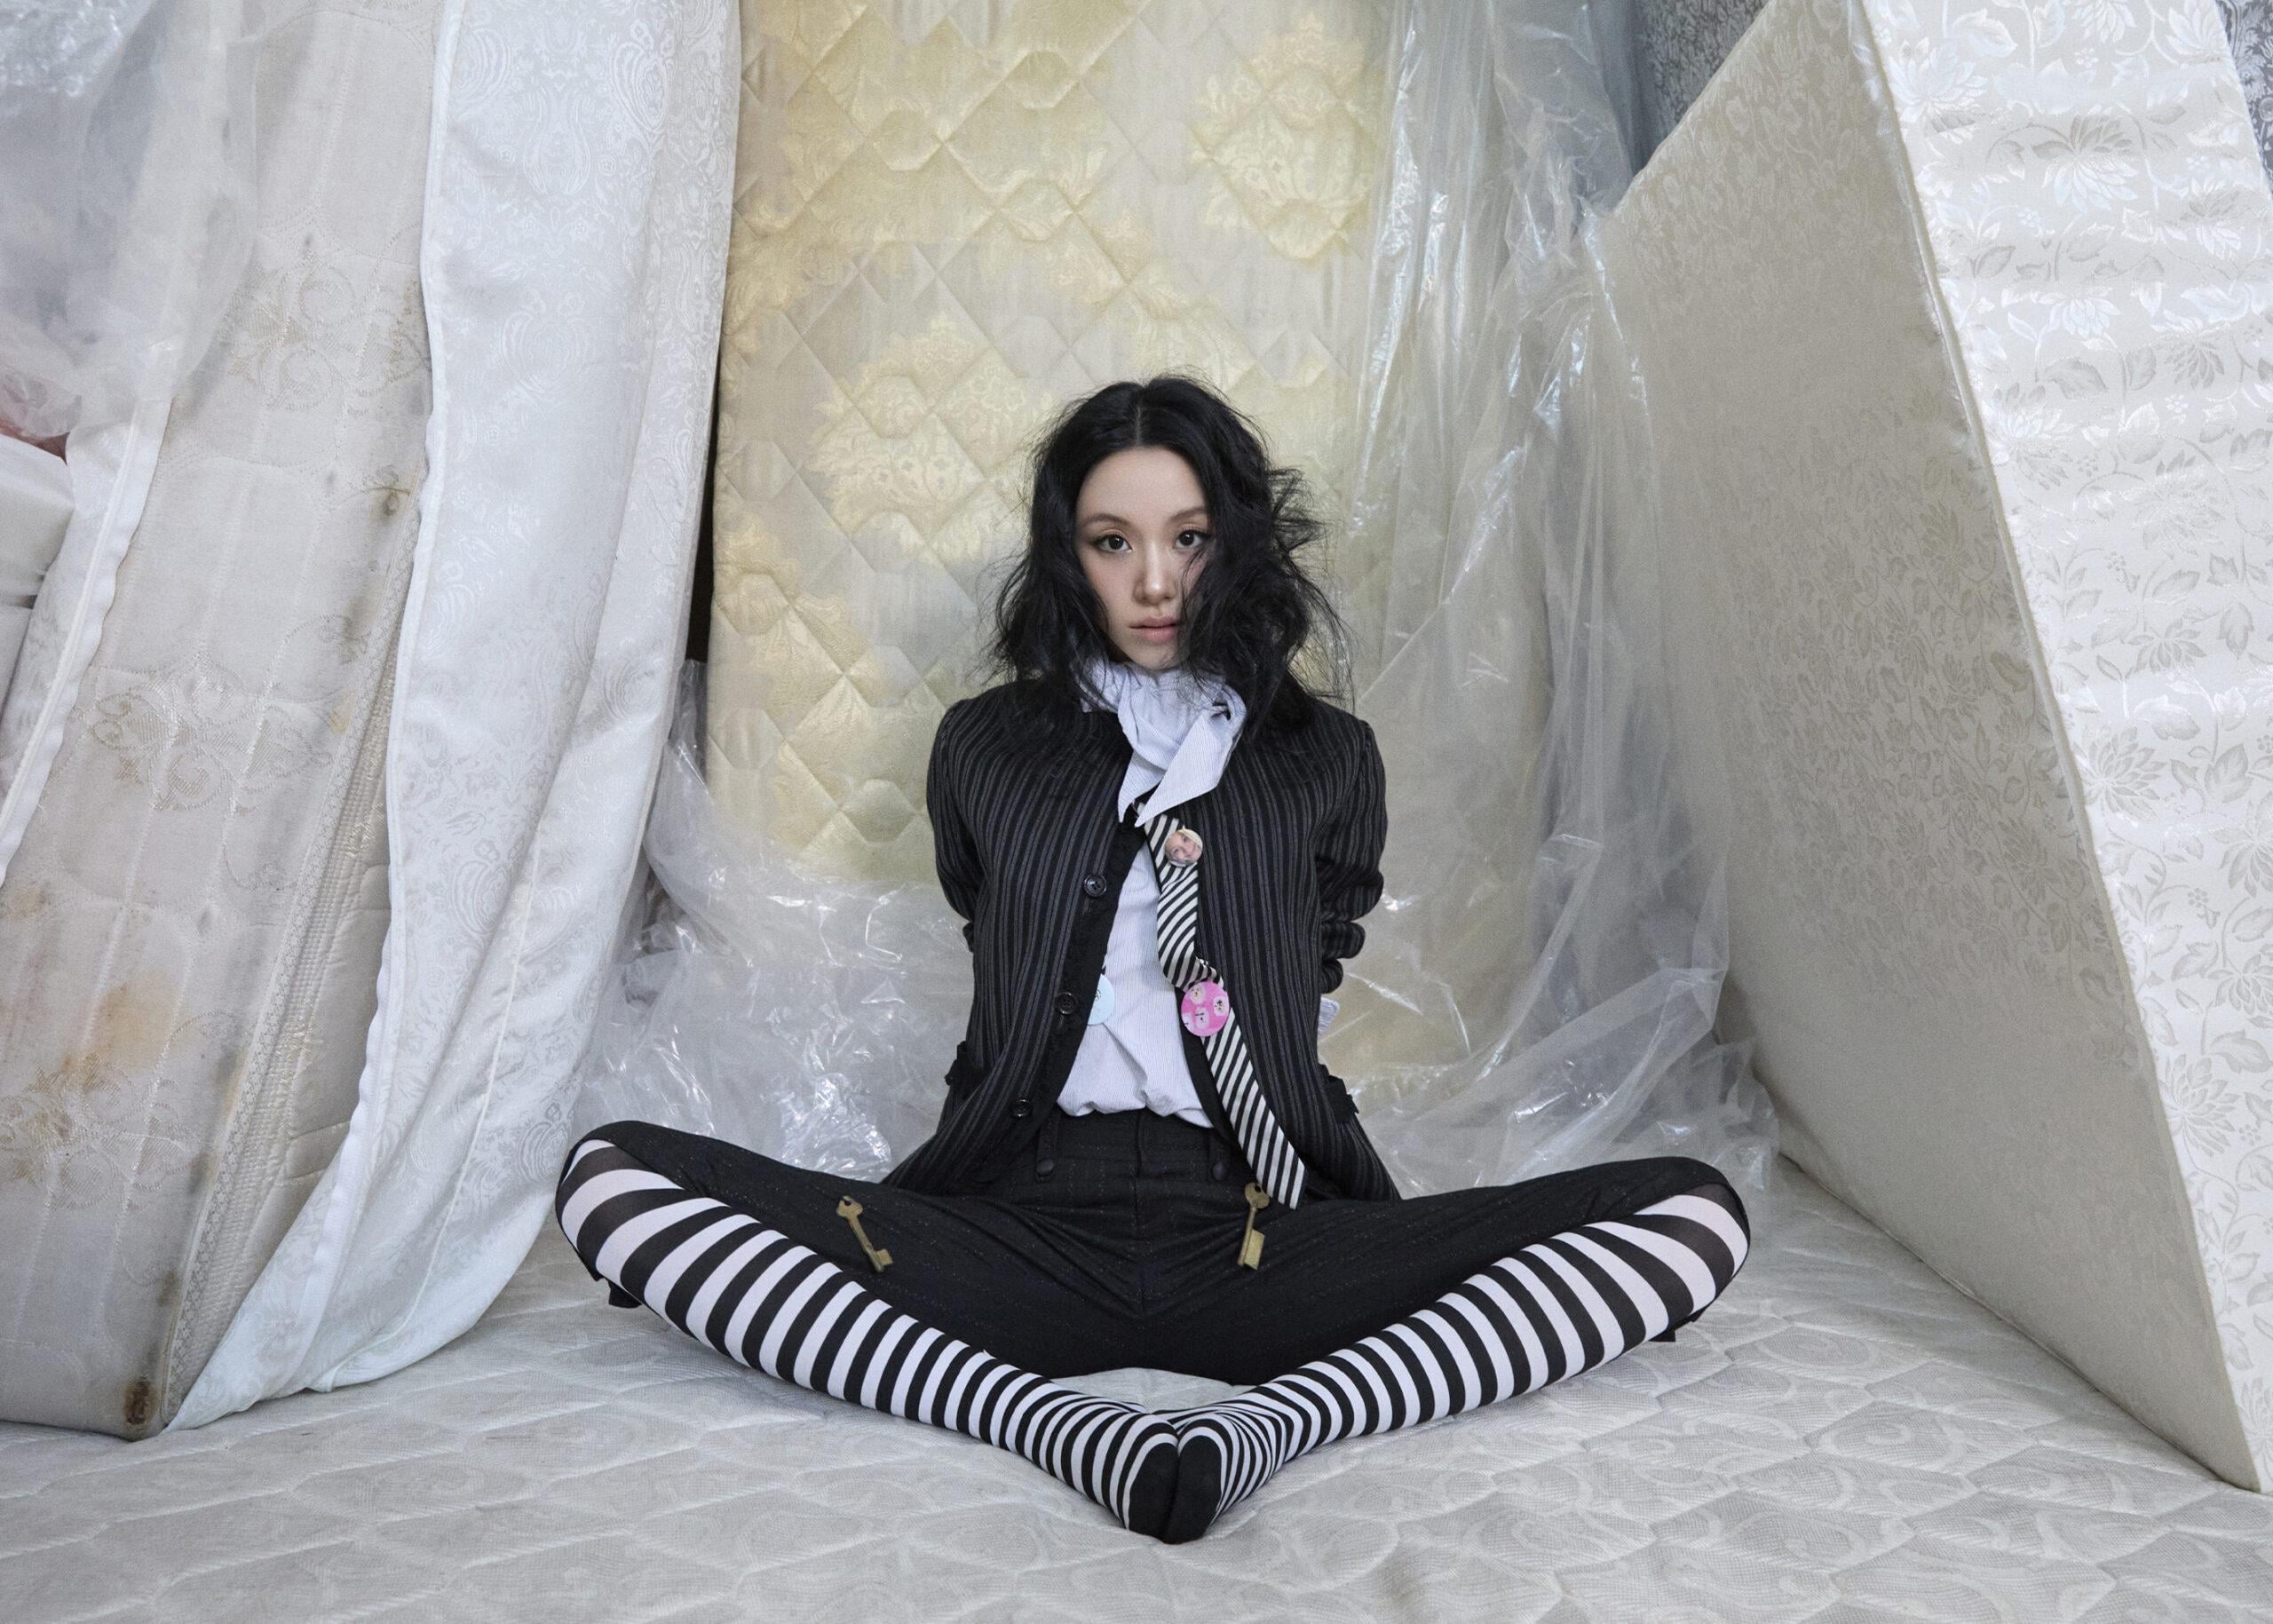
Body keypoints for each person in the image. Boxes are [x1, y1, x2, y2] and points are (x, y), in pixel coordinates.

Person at [557, 374, 1750, 1544]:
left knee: (1690, 1217)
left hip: (1258, 1231)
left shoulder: (1328, 758)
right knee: (611, 1180)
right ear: (1066, 555)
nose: (1155, 581)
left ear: (1239, 540)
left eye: (1188, 536)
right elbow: (988, 918)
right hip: (1019, 1225)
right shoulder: (985, 746)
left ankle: (1277, 1422)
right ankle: (1051, 1422)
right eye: (1111, 542)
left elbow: (1318, 953)